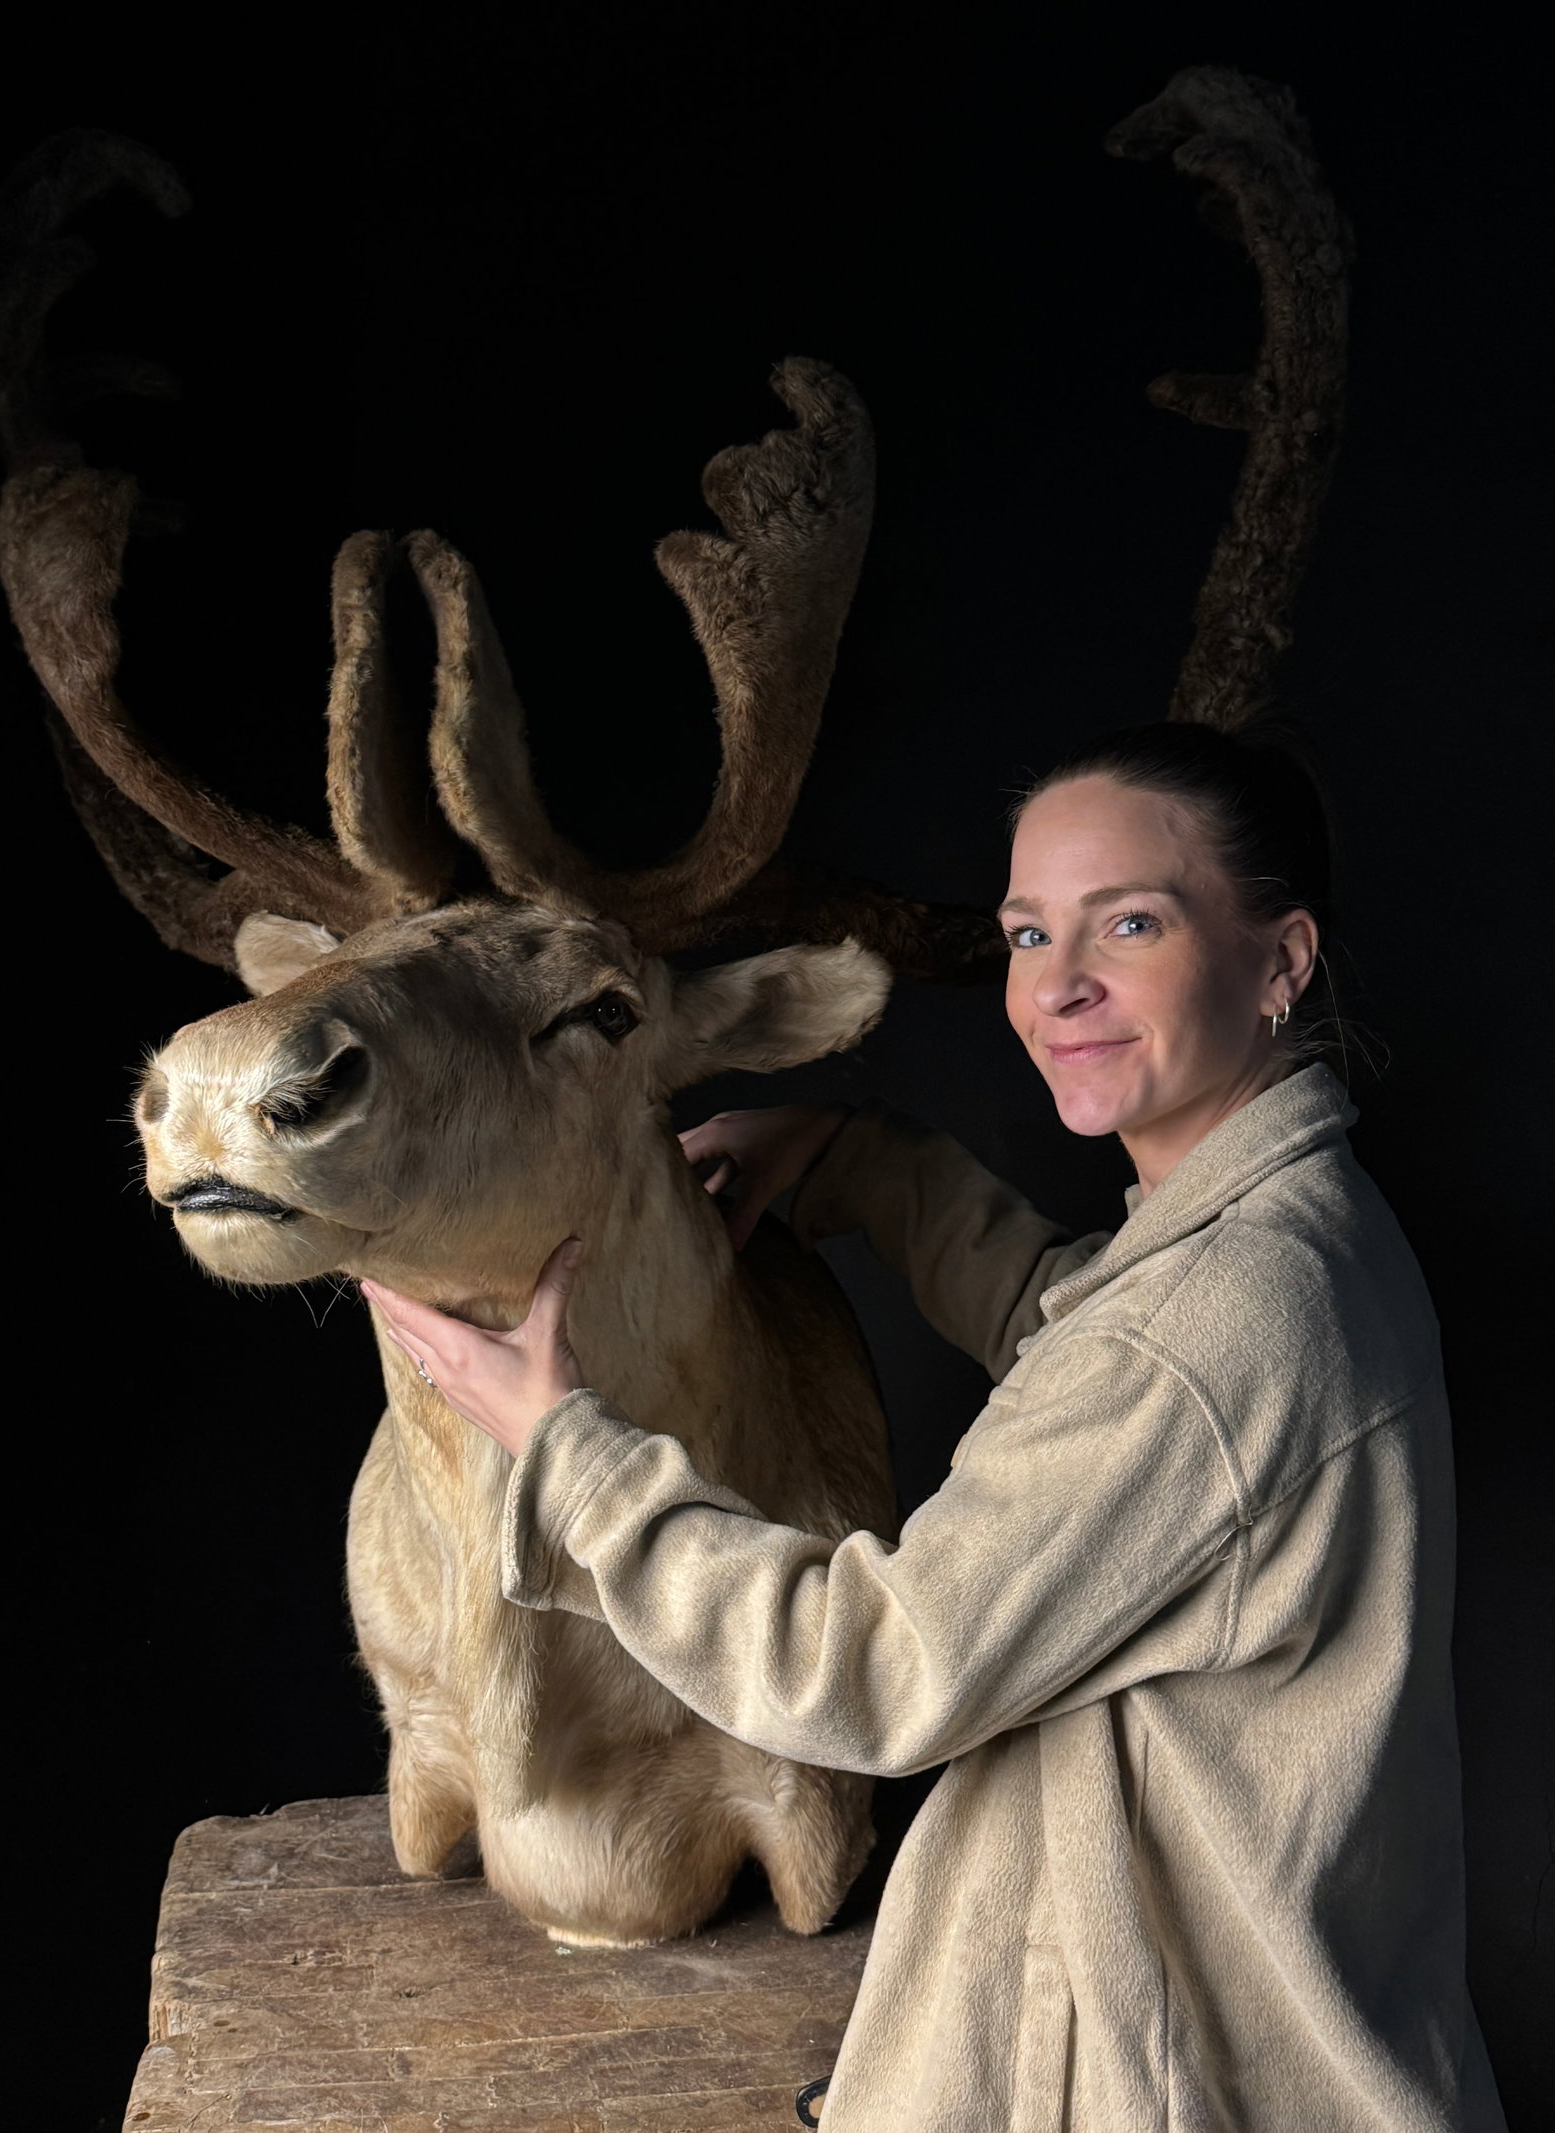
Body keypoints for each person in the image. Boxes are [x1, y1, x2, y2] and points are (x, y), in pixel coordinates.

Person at [364, 722, 1504, 2130]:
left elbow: (873, 1671)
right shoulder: (1298, 1234)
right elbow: (1086, 1352)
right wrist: (863, 1162)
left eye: (1130, 923)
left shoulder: (1211, 1327)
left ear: (1281, 960)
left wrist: (565, 1447)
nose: (1058, 984)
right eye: (1029, 933)